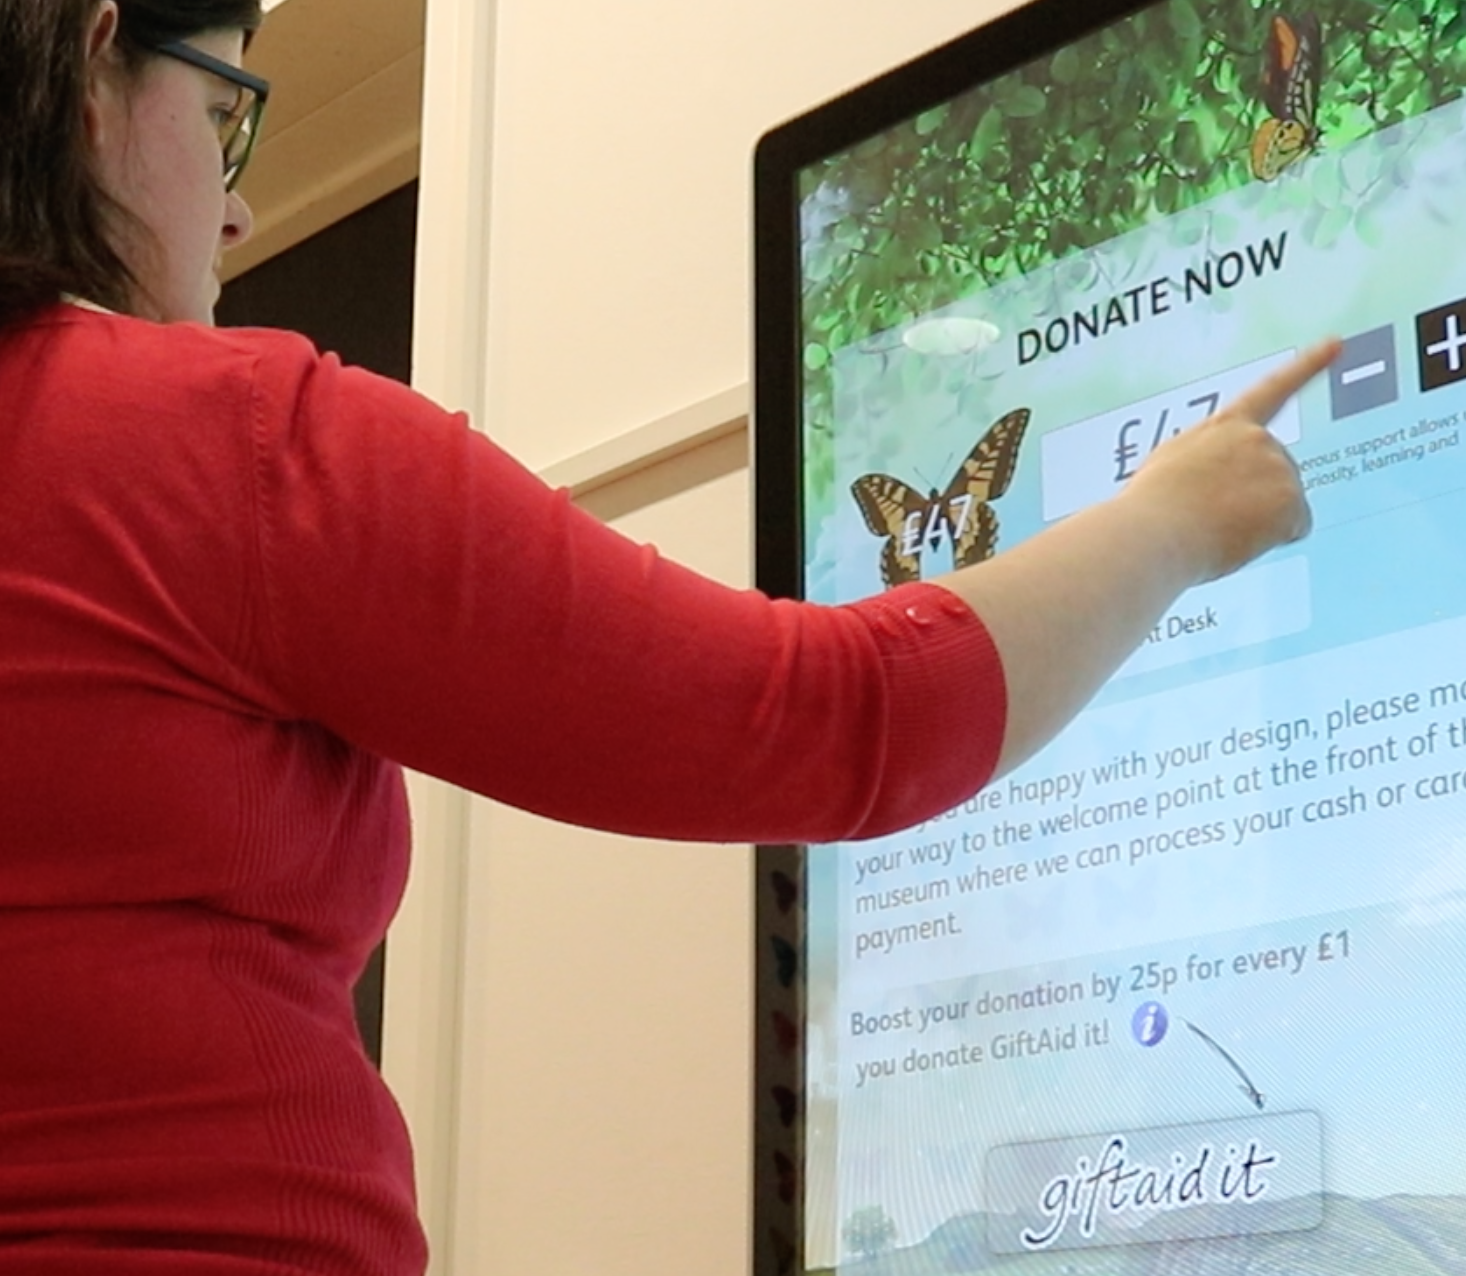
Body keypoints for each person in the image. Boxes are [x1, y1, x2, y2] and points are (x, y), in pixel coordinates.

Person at [0, 0, 1337, 1270]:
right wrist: (1183, 513)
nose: (239, 210)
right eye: (229, 113)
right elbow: (835, 722)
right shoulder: (216, 442)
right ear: (94, 67)